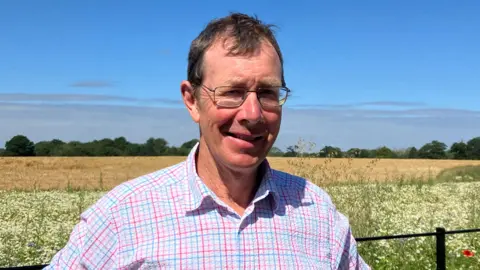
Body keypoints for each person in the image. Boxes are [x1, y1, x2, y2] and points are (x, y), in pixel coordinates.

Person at [45, 13, 370, 269]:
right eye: (232, 93)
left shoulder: (317, 210)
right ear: (191, 100)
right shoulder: (123, 215)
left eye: (268, 93)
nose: (252, 114)